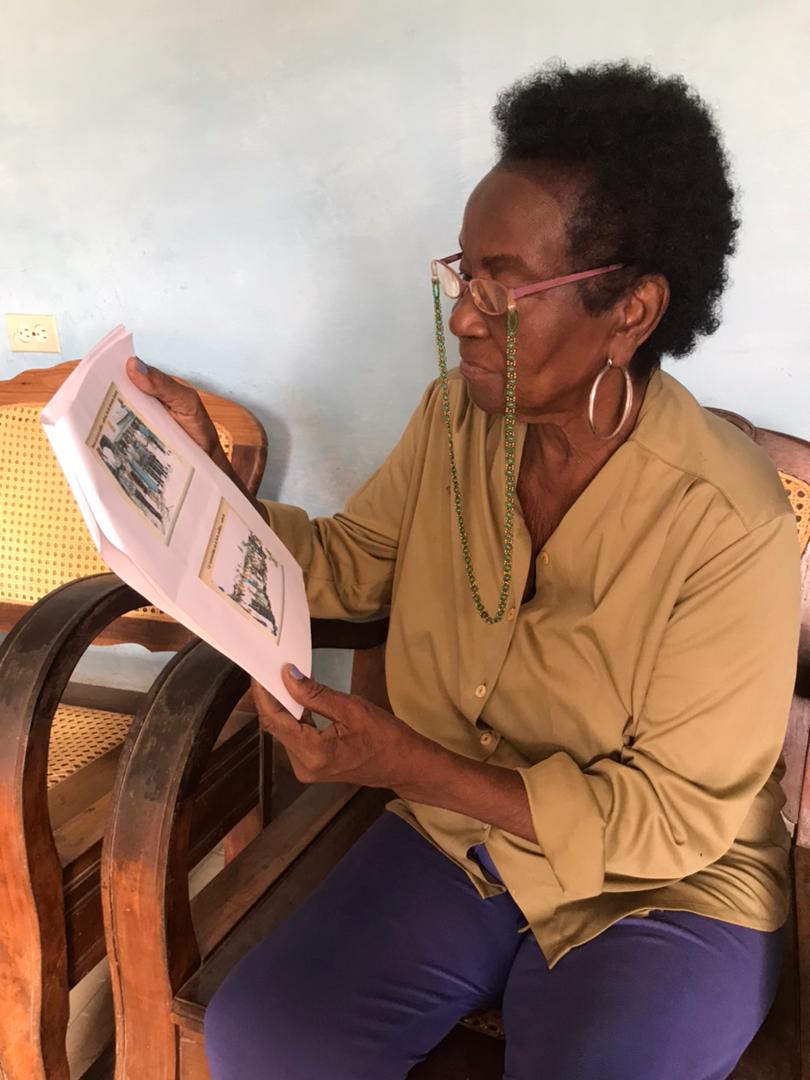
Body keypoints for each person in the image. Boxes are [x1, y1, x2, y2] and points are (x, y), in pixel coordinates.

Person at [128, 60, 800, 1080]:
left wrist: (403, 763)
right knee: (267, 1036)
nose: (464, 319)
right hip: (456, 838)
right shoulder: (457, 423)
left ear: (632, 310)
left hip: (668, 888)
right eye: (462, 275)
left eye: (503, 286)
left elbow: (675, 819)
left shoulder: (731, 517)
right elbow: (346, 567)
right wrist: (201, 488)